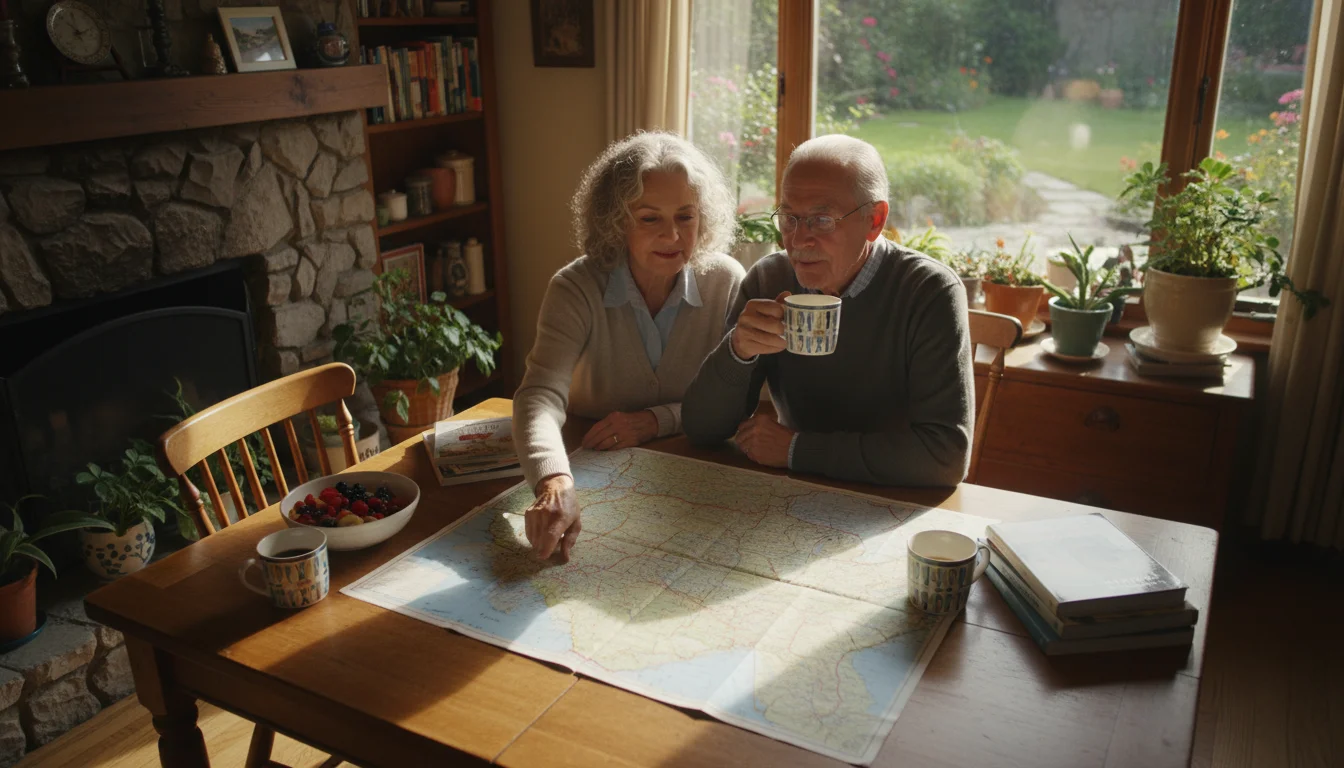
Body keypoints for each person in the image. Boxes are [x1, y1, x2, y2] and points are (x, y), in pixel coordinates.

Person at [682, 134, 973, 487]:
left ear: (875, 220)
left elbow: (944, 458)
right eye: (789, 218)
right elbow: (701, 430)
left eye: (822, 220)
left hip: (893, 499)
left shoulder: (928, 292)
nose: (799, 240)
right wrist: (737, 351)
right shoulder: (769, 279)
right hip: (795, 493)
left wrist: (797, 450)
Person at [514, 132, 745, 562]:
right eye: (649, 218)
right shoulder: (575, 287)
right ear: (616, 221)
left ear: (704, 218)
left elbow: (742, 402)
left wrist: (655, 421)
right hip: (592, 465)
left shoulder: (726, 282)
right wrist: (553, 481)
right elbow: (540, 395)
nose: (673, 235)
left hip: (692, 479)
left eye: (686, 216)